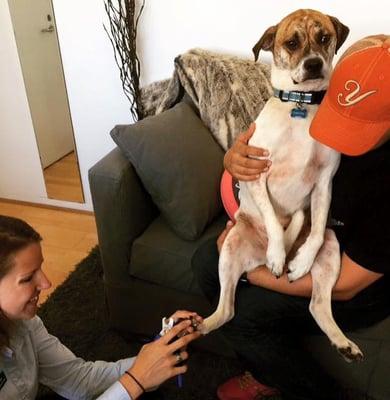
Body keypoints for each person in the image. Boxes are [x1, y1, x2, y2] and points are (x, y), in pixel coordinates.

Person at [193, 35, 390, 400]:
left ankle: (316, 391)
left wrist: (251, 271)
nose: (340, 135)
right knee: (205, 260)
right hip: (300, 231)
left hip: (355, 282)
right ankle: (268, 367)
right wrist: (233, 160)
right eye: (339, 113)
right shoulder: (316, 99)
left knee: (247, 315)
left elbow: (348, 283)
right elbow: (268, 162)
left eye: (357, 126)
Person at [0, 215, 202, 399]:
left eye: (41, 268)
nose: (45, 283)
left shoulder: (26, 323)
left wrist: (156, 354)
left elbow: (79, 381)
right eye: (27, 278)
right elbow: (129, 383)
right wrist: (135, 381)